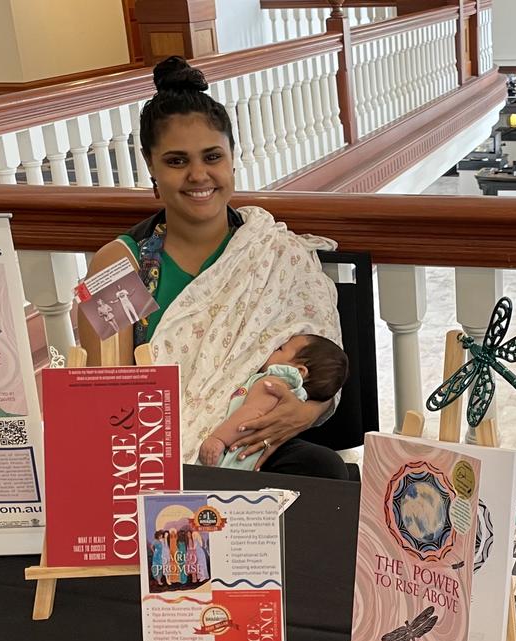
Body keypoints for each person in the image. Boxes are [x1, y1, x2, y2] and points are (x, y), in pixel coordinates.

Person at [80, 56, 348, 479]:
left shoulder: (274, 251)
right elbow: (103, 389)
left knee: (323, 469)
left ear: (232, 159)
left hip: (250, 443)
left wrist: (305, 409)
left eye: (211, 157)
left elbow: (321, 363)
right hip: (153, 453)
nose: (198, 175)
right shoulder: (122, 265)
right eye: (176, 161)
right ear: (151, 167)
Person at [199, 334, 349, 469]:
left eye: (281, 349)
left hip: (226, 452)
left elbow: (252, 416)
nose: (273, 349)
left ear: (300, 370)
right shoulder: (296, 396)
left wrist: (218, 439)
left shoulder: (275, 382)